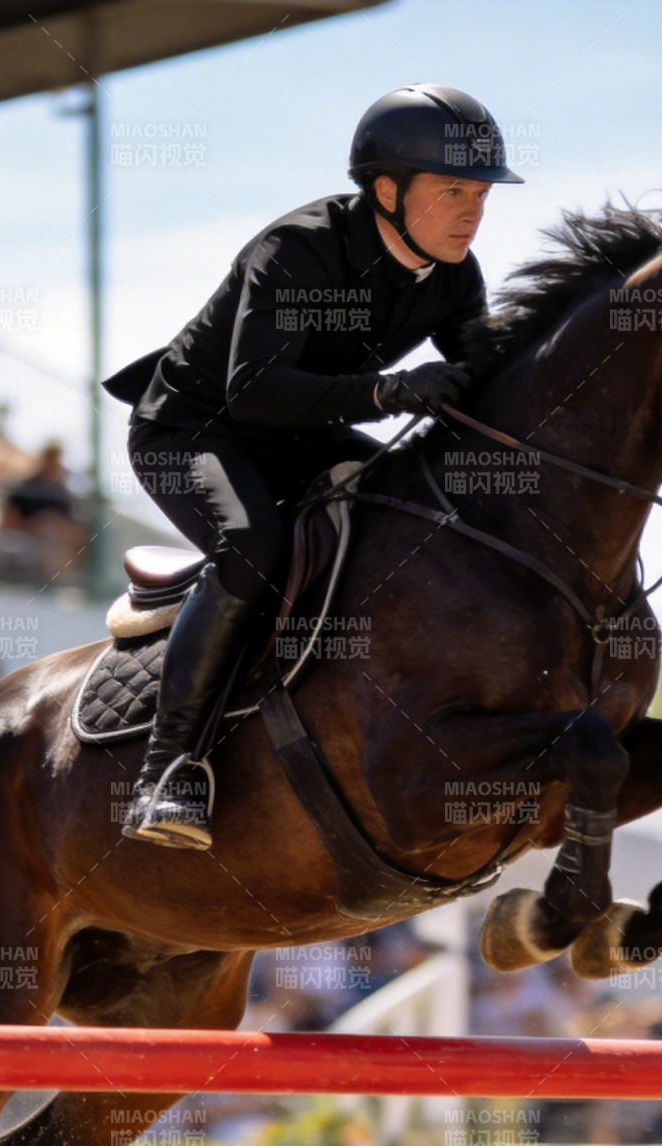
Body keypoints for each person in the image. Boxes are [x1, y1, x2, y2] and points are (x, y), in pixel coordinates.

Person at [104, 85, 521, 849]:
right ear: (387, 190)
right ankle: (167, 772)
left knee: (414, 507)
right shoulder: (298, 250)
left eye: (482, 195)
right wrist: (391, 389)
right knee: (254, 545)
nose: (472, 212)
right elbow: (253, 390)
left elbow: (490, 385)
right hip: (193, 431)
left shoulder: (456, 274)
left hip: (304, 433)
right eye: (454, 190)